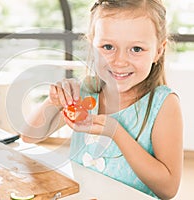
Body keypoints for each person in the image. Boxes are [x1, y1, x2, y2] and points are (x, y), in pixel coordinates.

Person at [20, 0, 183, 199]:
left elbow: (168, 189)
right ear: (92, 44)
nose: (120, 61)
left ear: (158, 50)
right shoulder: (88, 91)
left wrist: (116, 132)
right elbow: (29, 136)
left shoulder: (163, 104)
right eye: (108, 47)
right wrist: (53, 102)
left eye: (137, 49)